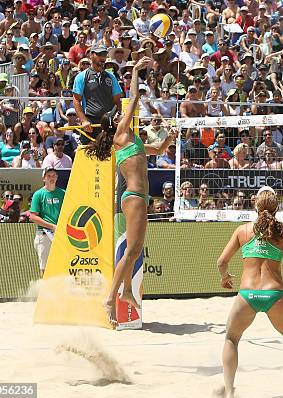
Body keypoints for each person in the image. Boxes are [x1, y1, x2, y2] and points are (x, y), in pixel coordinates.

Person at [84, 56, 175, 327]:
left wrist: (170, 137)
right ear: (115, 123)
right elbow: (133, 99)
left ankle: (124, 292)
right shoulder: (120, 134)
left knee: (135, 251)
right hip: (134, 197)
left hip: (138, 197)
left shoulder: (132, 141)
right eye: (120, 116)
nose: (124, 115)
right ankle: (111, 298)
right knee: (132, 251)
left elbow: (158, 151)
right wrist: (135, 71)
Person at [216, 186, 283, 398]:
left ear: (255, 205)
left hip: (247, 295)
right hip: (274, 295)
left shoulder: (243, 231)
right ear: (277, 208)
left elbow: (221, 262)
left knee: (231, 339)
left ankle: (228, 392)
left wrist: (225, 277)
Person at [72, 44, 123, 144]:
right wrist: (83, 120)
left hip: (109, 122)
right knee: (89, 153)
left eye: (104, 54)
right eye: (99, 54)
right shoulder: (82, 76)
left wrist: (119, 116)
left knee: (111, 153)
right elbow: (76, 100)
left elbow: (117, 100)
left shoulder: (111, 76)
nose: (103, 57)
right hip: (91, 123)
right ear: (91, 55)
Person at [30, 168, 65, 275]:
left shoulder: (63, 193)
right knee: (45, 269)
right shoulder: (39, 194)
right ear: (43, 178)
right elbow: (33, 217)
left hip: (60, 234)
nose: (52, 178)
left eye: (54, 175)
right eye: (49, 176)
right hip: (44, 235)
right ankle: (45, 291)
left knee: (61, 266)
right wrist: (52, 226)